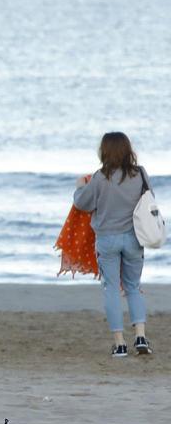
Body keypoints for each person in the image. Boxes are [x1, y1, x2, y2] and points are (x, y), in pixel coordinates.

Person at [73, 132, 154, 357]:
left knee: (111, 289)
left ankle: (119, 345)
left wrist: (80, 185)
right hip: (134, 238)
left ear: (104, 151)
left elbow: (82, 203)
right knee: (133, 286)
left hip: (107, 239)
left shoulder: (100, 177)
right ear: (128, 150)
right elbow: (149, 204)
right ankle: (140, 336)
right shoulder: (141, 174)